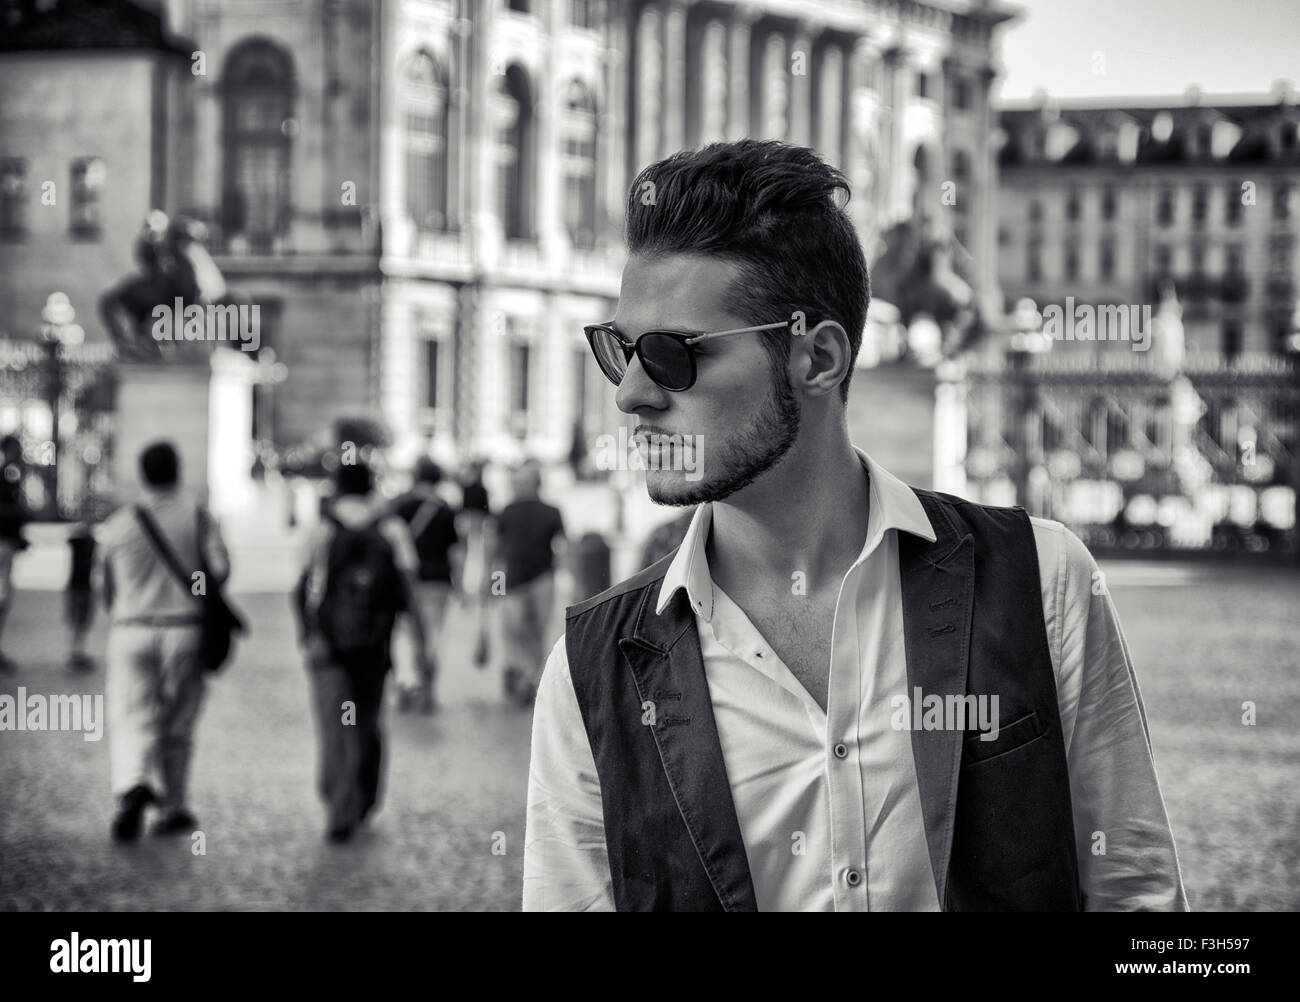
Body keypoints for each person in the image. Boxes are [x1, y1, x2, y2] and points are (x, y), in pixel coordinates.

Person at [523, 139, 1188, 911]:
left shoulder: (1043, 581)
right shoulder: (589, 671)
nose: (630, 394)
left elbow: (1136, 896)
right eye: (621, 350)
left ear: (818, 358)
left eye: (672, 355)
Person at [293, 459, 433, 842]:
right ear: (371, 486)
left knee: (336, 725)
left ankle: (340, 806)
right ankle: (365, 799)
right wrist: (421, 643)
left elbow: (302, 587)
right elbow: (408, 589)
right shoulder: (390, 528)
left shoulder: (321, 527)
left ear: (336, 487)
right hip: (374, 643)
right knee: (367, 723)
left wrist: (307, 636)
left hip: (329, 645)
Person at [99, 441, 230, 840]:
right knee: (178, 722)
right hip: (185, 629)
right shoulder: (199, 518)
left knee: (130, 715)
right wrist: (193, 582)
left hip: (131, 628)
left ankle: (133, 784)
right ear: (178, 470)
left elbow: (103, 587)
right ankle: (173, 806)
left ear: (142, 473)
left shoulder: (118, 524)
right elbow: (218, 573)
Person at [389, 457, 458, 713]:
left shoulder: (399, 505)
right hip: (438, 581)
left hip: (405, 581)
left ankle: (405, 684)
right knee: (434, 635)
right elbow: (455, 551)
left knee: (404, 635)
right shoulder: (446, 509)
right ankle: (428, 689)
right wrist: (460, 583)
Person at [494, 462, 566, 706]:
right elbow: (562, 548)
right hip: (543, 579)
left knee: (515, 631)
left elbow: (496, 553)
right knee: (536, 631)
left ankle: (523, 675)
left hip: (515, 581)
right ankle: (530, 676)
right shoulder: (552, 511)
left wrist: (495, 587)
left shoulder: (506, 511)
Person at [456, 459, 493, 668]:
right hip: (478, 522)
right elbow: (486, 511)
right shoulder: (481, 488)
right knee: (476, 553)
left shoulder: (467, 487)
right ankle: (473, 585)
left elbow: (463, 507)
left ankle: (465, 587)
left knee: (467, 553)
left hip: (467, 521)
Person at [0, 434, 29, 672]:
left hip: (7, 543)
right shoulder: (8, 475)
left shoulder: (11, 474)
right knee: (2, 597)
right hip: (4, 544)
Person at [65, 520, 97, 672]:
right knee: (79, 622)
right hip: (80, 588)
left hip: (79, 587)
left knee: (80, 622)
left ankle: (77, 652)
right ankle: (76, 653)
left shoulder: (82, 544)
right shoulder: (82, 544)